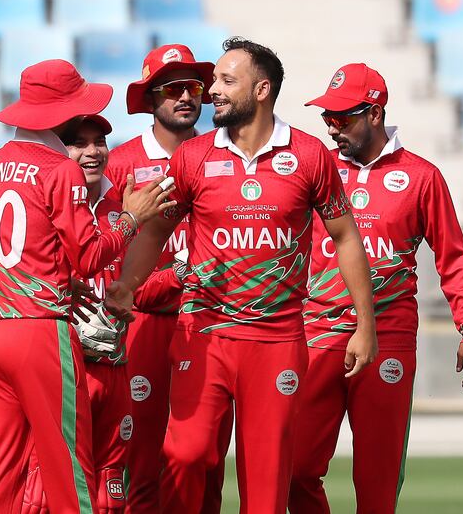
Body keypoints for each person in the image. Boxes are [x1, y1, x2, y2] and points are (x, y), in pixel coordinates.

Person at [107, 38, 378, 514]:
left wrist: (365, 324)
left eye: (226, 81)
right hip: (203, 331)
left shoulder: (310, 155)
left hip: (276, 340)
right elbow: (154, 233)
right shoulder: (192, 158)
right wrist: (127, 284)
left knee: (267, 480)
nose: (213, 90)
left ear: (261, 90)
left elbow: (346, 238)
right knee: (185, 455)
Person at [0, 59, 172, 514]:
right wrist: (132, 219)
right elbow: (90, 256)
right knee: (69, 469)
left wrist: (47, 281)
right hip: (38, 335)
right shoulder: (57, 168)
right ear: (63, 113)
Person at [288, 63, 463, 514]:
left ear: (374, 114)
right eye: (327, 119)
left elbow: (452, 256)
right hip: (317, 330)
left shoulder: (422, 177)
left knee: (376, 483)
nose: (332, 128)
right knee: (295, 469)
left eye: (342, 118)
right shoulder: (313, 168)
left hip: (388, 336)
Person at [21, 116, 185, 514]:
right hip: (64, 370)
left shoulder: (122, 208)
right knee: (45, 493)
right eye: (78, 143)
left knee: (112, 493)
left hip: (113, 368)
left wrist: (182, 269)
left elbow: (135, 290)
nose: (92, 152)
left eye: (100, 142)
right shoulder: (42, 205)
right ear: (59, 151)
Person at [103, 43, 229, 514]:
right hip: (146, 326)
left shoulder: (225, 156)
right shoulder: (120, 165)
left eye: (194, 87)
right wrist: (175, 276)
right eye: (172, 88)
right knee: (144, 462)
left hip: (212, 324)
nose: (185, 97)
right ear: (150, 98)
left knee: (208, 463)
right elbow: (111, 260)